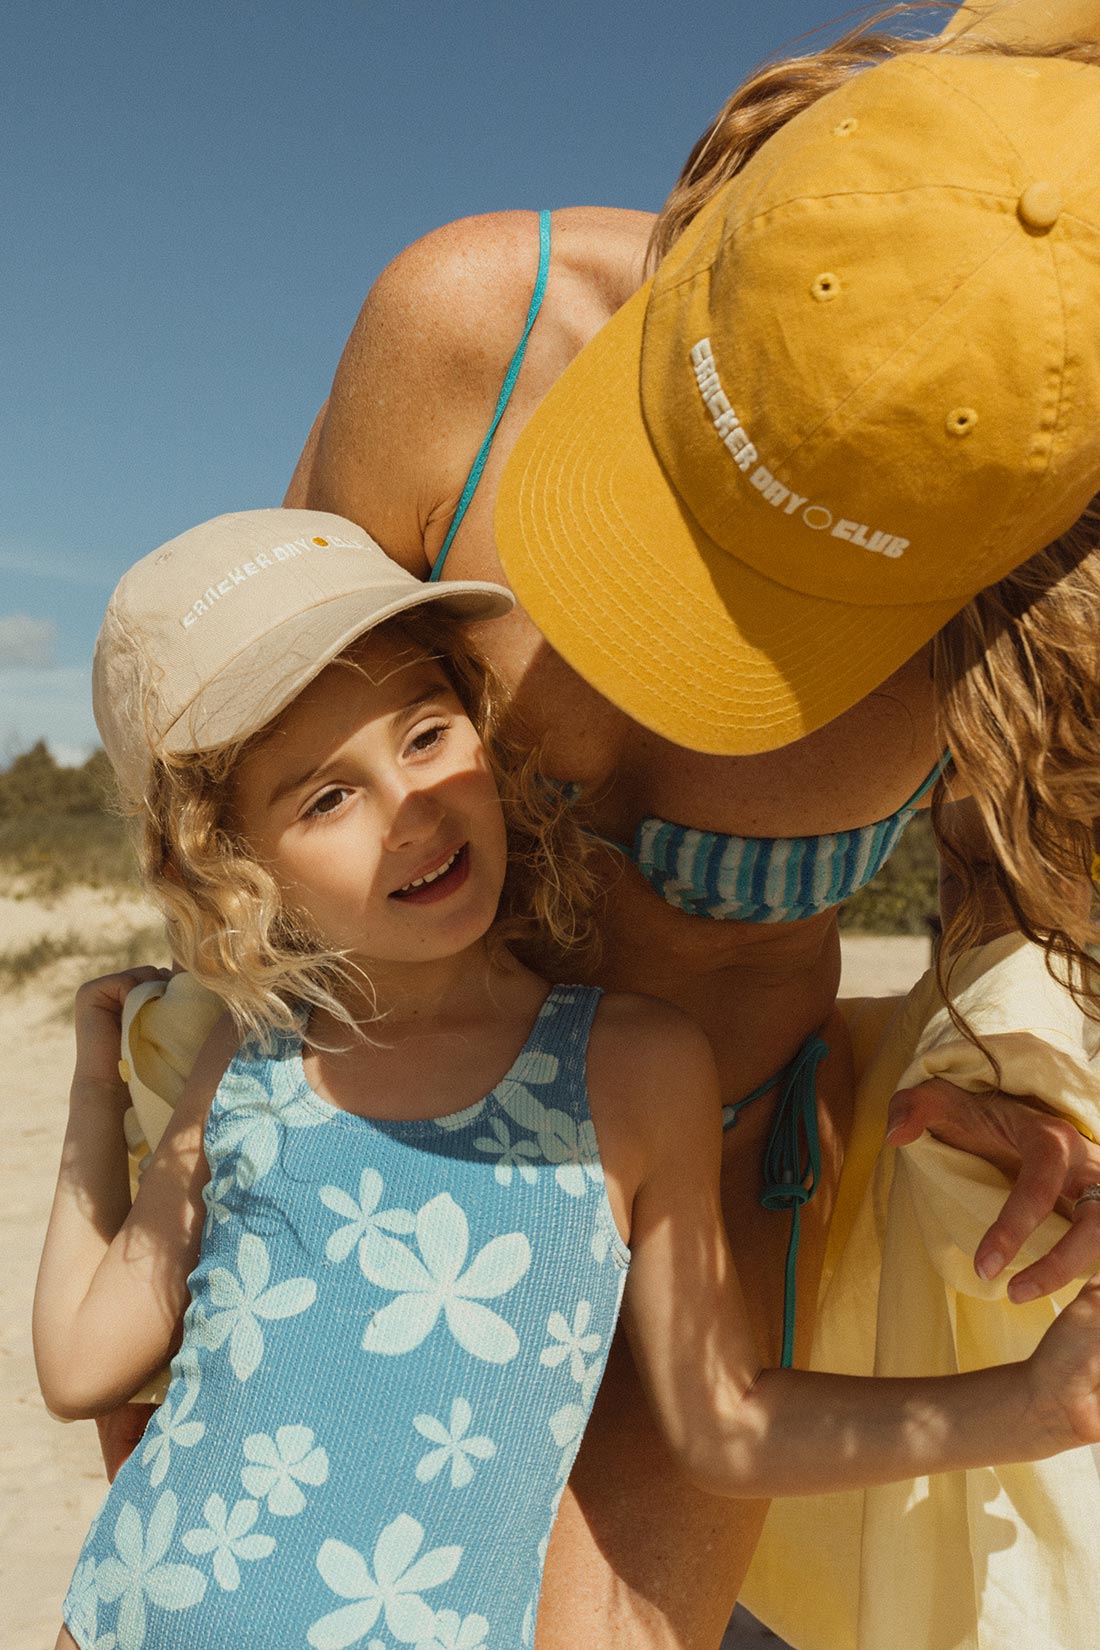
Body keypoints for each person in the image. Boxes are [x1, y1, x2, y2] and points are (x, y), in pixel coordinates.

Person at [274, 6, 1100, 1646]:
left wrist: (1002, 1087)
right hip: (379, 1169)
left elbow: (1009, 911)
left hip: (724, 1215)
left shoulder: (1033, 530)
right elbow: (259, 765)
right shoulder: (468, 330)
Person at [33, 510, 1100, 1650]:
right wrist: (97, 1093)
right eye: (325, 797)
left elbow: (724, 1424)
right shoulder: (251, 1065)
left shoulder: (629, 1069)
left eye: (426, 733)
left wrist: (1030, 1407)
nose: (411, 806)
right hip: (126, 1624)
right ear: (233, 868)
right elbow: (81, 1361)